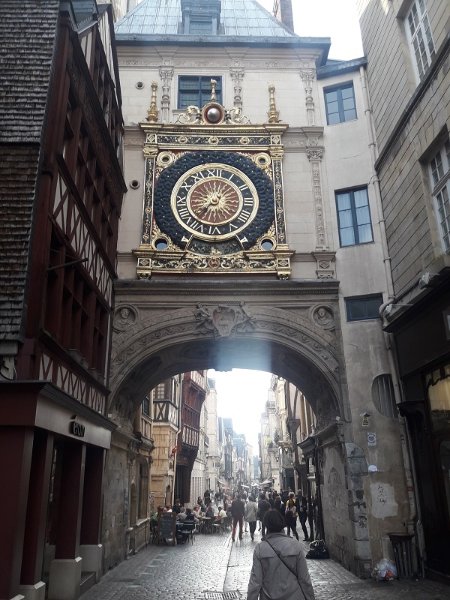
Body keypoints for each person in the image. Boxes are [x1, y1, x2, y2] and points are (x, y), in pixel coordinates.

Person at [247, 509, 315, 600]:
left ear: (266, 525)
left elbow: (255, 582)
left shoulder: (260, 549)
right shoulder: (295, 545)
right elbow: (304, 579)